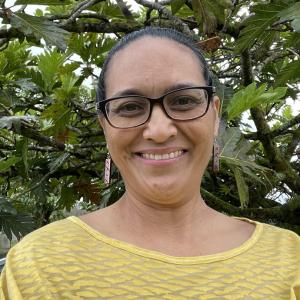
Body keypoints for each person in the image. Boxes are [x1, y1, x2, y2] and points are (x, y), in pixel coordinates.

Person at [1, 27, 300, 299]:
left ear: (214, 115)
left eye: (183, 101)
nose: (159, 131)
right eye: (130, 107)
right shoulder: (41, 265)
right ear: (105, 126)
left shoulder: (289, 260)